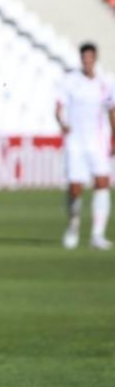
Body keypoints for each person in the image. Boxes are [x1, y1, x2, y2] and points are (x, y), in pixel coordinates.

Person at [55, 42, 114, 250]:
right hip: (75, 140)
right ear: (81, 59)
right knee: (75, 187)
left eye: (90, 58)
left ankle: (97, 235)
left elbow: (111, 110)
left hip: (97, 140)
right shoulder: (70, 81)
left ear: (95, 59)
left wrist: (114, 136)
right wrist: (62, 123)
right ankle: (73, 225)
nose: (87, 61)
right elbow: (59, 107)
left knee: (102, 182)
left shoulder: (105, 82)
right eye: (84, 58)